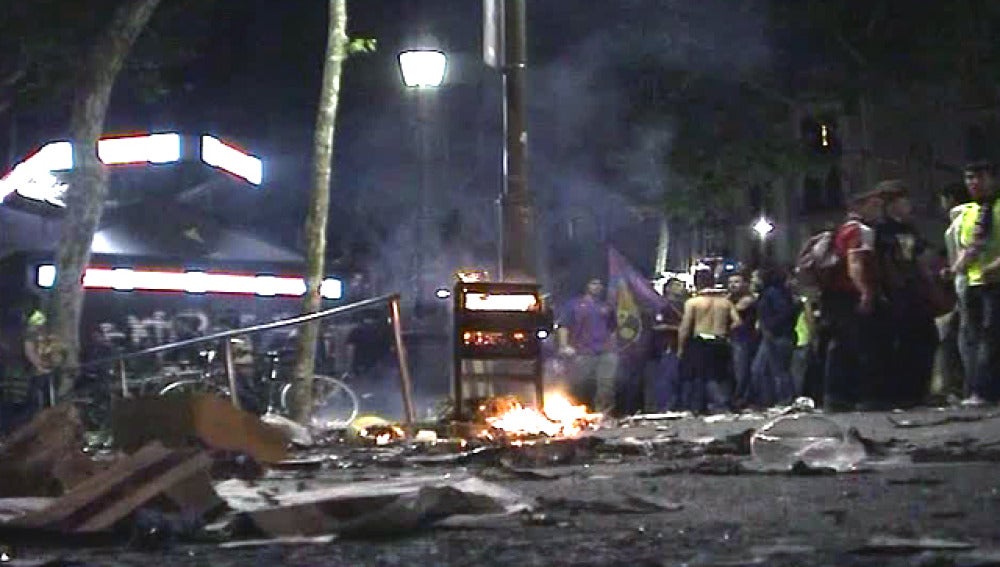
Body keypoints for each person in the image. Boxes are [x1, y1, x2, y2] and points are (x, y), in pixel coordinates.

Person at [820, 186, 886, 412]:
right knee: (861, 345)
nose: (878, 210)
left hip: (834, 295)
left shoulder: (841, 230)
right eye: (874, 205)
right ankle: (861, 396)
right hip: (849, 293)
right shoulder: (860, 231)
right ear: (860, 207)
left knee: (839, 346)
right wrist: (865, 291)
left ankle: (835, 397)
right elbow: (855, 262)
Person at [875, 180, 937, 407]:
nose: (908, 205)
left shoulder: (909, 228)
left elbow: (920, 255)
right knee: (900, 343)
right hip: (894, 294)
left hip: (913, 292)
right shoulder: (881, 230)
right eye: (903, 201)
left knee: (923, 338)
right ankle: (901, 393)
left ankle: (917, 391)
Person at [952, 161, 1000, 405]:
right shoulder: (969, 212)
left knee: (992, 337)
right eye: (969, 178)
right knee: (974, 337)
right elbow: (967, 246)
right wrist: (956, 267)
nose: (974, 183)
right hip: (973, 282)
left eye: (980, 177)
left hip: (996, 281)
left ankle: (986, 391)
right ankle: (976, 388)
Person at [677, 268, 740, 413]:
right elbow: (738, 322)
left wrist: (681, 348)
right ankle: (721, 403)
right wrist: (726, 331)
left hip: (701, 340)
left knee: (703, 375)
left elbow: (685, 326)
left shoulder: (693, 303)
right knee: (721, 374)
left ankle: (712, 406)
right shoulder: (725, 302)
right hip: (721, 340)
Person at [935, 182, 974, 399]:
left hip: (967, 282)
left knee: (964, 337)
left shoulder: (959, 221)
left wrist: (952, 270)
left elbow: (965, 252)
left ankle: (964, 387)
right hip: (970, 282)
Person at [557, 278, 618, 413]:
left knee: (606, 385)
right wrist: (563, 346)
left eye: (600, 284)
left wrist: (613, 347)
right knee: (579, 385)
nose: (597, 287)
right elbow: (563, 326)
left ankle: (603, 416)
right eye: (594, 283)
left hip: (605, 352)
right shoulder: (574, 305)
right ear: (587, 286)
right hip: (582, 351)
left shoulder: (607, 306)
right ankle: (577, 415)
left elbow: (613, 329)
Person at [749, 267, 799, 407]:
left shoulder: (774, 293)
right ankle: (767, 400)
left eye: (755, 278)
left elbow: (784, 313)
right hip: (772, 336)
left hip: (778, 336)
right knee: (760, 369)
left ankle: (786, 400)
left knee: (780, 371)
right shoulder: (771, 293)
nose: (753, 281)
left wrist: (771, 327)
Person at [651, 277, 687, 411]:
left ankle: (677, 407)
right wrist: (678, 328)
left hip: (682, 347)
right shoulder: (662, 306)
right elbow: (657, 326)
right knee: (667, 378)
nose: (681, 288)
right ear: (668, 289)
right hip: (668, 346)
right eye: (677, 285)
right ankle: (665, 408)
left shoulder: (684, 305)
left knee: (679, 378)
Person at [727, 272, 757, 409]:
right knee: (734, 370)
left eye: (737, 282)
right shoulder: (729, 299)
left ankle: (742, 399)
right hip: (732, 338)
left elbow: (736, 310)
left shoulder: (747, 299)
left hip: (744, 338)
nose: (733, 285)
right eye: (731, 282)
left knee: (742, 370)